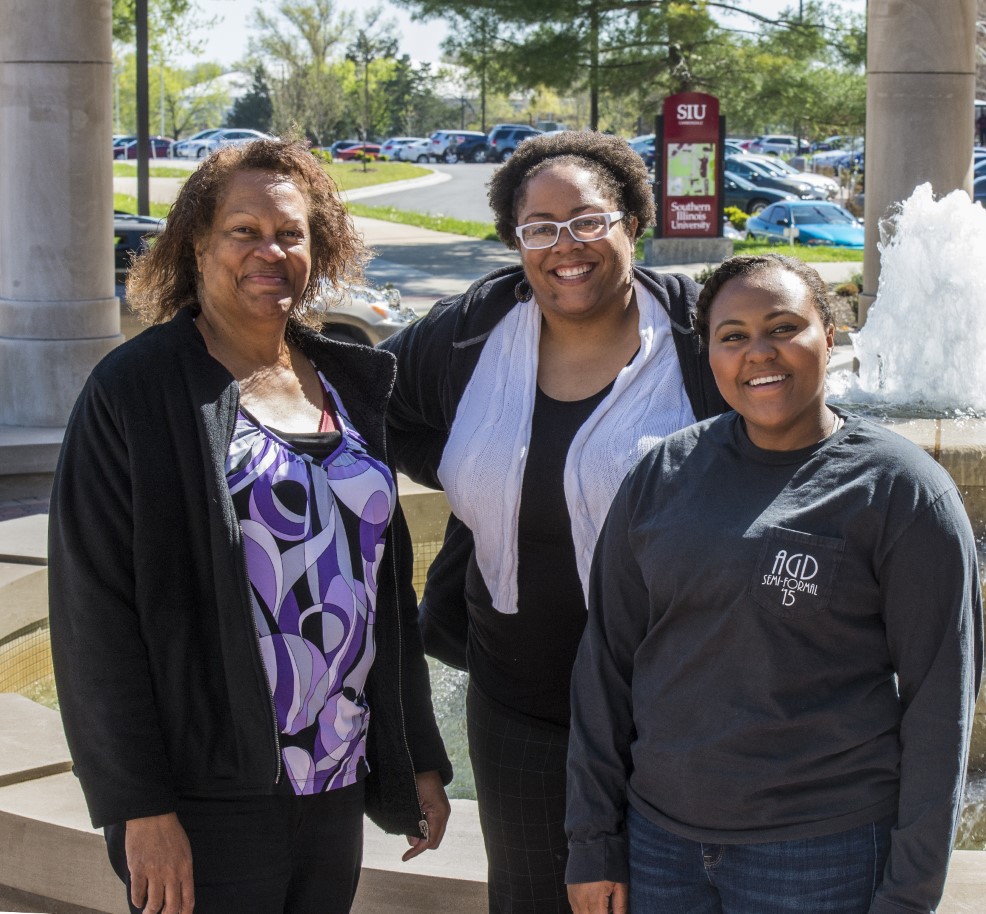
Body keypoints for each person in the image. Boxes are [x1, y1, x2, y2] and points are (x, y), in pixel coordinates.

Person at [48, 139, 453, 914]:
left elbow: (386, 597)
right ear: (197, 242)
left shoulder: (345, 382)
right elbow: (92, 616)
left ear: (319, 245)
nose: (271, 251)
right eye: (244, 231)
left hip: (333, 781)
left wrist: (416, 758)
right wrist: (139, 806)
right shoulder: (138, 391)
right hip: (206, 798)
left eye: (292, 233)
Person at [565, 254, 983, 914]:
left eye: (784, 327)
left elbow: (940, 709)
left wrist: (909, 896)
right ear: (710, 355)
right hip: (658, 849)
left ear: (831, 336)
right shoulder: (661, 475)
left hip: (821, 857)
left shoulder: (901, 493)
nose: (759, 353)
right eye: (732, 336)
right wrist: (592, 840)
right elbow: (605, 667)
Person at [380, 131, 727, 913]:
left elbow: (795, 435)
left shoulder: (702, 332)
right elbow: (375, 403)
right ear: (516, 241)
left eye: (588, 221)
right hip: (519, 707)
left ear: (634, 221)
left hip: (676, 714)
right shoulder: (469, 329)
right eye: (539, 227)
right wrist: (468, 473)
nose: (564, 246)